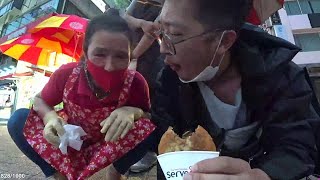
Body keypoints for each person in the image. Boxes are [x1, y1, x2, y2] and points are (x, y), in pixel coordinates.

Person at [109, 0, 319, 179]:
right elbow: (161, 130)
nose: (163, 48)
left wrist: (264, 174)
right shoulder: (170, 80)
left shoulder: (280, 74)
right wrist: (136, 116)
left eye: (174, 34)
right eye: (161, 32)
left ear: (224, 41)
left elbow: (298, 143)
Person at [9, 11, 156, 180]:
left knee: (152, 128)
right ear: (86, 52)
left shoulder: (136, 82)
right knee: (19, 119)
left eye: (121, 56)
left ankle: (116, 172)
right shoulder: (67, 73)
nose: (109, 66)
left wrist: (132, 111)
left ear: (131, 56)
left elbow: (148, 117)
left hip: (108, 145)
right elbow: (40, 100)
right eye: (100, 54)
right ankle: (57, 174)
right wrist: (49, 117)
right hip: (67, 140)